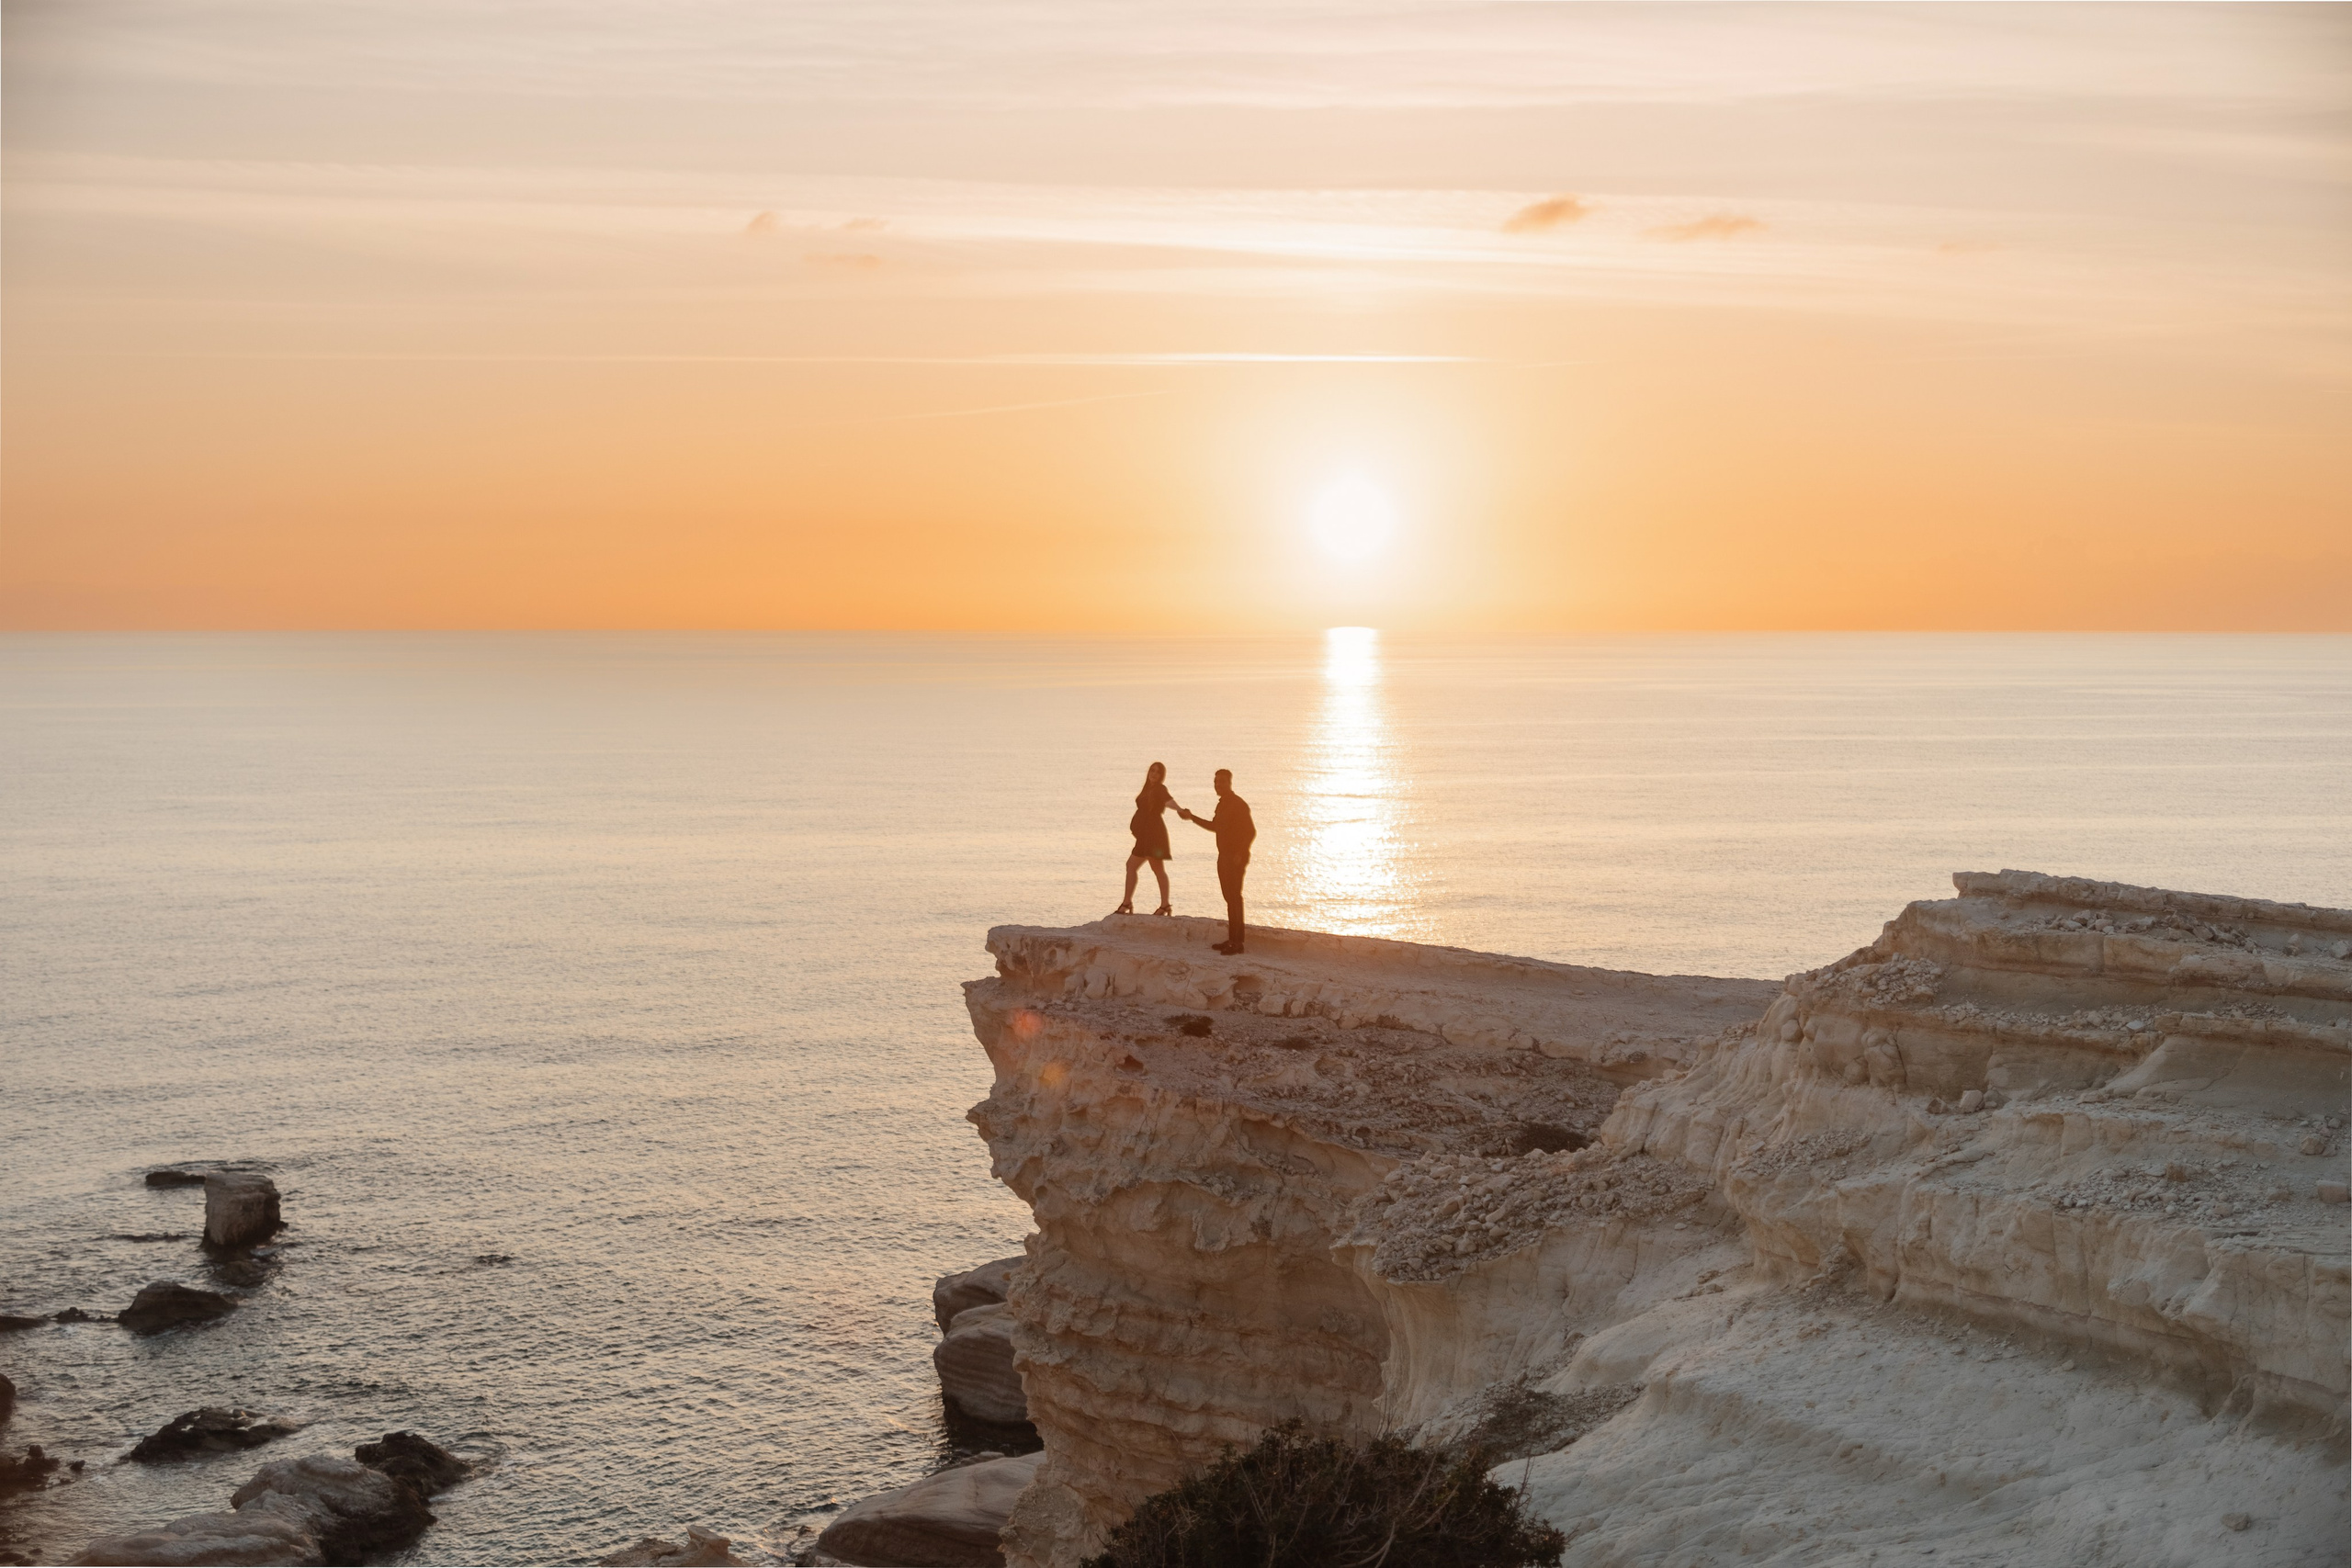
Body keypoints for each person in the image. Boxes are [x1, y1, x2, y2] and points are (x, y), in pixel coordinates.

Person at [1179, 768, 1255, 954]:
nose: (1217, 785)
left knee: (1235, 898)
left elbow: (1250, 832)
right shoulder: (1222, 805)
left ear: (1229, 783)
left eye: (1221, 781)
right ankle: (1232, 939)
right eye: (1215, 782)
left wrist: (1240, 852)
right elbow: (1215, 827)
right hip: (1224, 856)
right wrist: (1192, 817)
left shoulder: (1238, 804)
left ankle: (1238, 943)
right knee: (1229, 898)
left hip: (1235, 858)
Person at [1116, 761, 1180, 916]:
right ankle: (1127, 902)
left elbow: (1168, 801)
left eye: (1158, 772)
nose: (1154, 774)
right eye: (1152, 770)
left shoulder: (1159, 788)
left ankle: (1164, 905)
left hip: (1154, 835)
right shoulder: (1148, 788)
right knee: (1131, 866)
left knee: (1157, 869)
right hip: (1144, 836)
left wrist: (1179, 809)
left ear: (1161, 776)